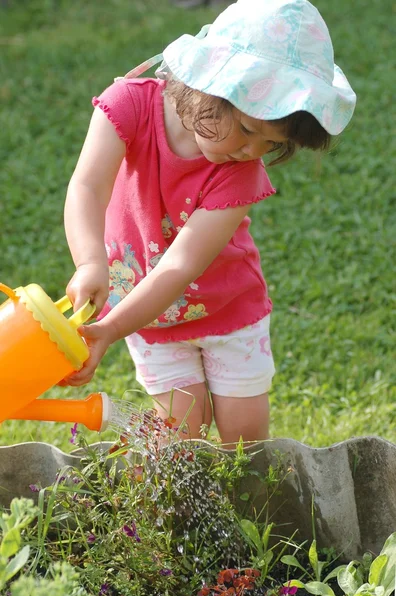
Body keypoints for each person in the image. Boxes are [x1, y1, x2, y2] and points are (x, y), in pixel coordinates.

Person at [61, 0, 356, 445]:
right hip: (146, 313)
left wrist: (109, 329)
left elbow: (180, 266)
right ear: (210, 89)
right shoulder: (127, 106)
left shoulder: (240, 170)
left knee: (245, 439)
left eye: (271, 143)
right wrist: (89, 263)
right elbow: (87, 188)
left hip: (230, 313)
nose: (254, 151)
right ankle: (176, 515)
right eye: (249, 130)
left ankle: (251, 513)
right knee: (180, 434)